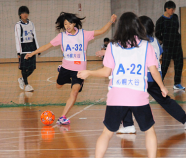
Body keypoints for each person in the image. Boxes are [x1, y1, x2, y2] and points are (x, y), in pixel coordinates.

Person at [77, 12, 168, 158]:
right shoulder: (146, 46)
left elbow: (106, 72)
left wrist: (89, 72)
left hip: (116, 97)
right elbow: (154, 71)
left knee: (106, 133)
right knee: (149, 131)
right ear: (137, 26)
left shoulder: (112, 46)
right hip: (138, 97)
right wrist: (162, 87)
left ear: (119, 27)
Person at [96, 16, 186, 133]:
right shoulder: (153, 41)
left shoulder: (138, 42)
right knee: (165, 101)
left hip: (141, 77)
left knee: (126, 96)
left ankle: (128, 125)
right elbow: (160, 56)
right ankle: (184, 119)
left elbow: (123, 50)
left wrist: (105, 51)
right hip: (154, 77)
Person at [26, 12, 117, 125]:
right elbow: (47, 46)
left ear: (74, 23)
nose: (67, 26)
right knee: (58, 85)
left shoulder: (84, 34)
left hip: (79, 70)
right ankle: (61, 71)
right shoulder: (61, 36)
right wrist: (32, 53)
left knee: (74, 92)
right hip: (66, 67)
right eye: (65, 24)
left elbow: (101, 31)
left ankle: (62, 117)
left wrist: (111, 21)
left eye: (69, 23)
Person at [155, 0, 184, 90]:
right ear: (166, 9)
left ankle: (177, 84)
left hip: (177, 45)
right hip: (167, 46)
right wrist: (165, 40)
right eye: (171, 9)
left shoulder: (175, 17)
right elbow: (157, 34)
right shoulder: (160, 21)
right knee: (165, 65)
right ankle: (159, 83)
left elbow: (176, 29)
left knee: (179, 63)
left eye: (174, 9)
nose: (173, 11)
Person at [15, 6, 40, 92]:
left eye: (26, 13)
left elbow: (35, 36)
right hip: (23, 49)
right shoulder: (18, 25)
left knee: (32, 68)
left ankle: (21, 79)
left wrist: (38, 49)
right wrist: (19, 52)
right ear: (20, 14)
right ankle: (27, 84)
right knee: (24, 68)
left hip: (31, 48)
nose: (25, 15)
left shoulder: (31, 24)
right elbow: (17, 38)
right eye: (23, 13)